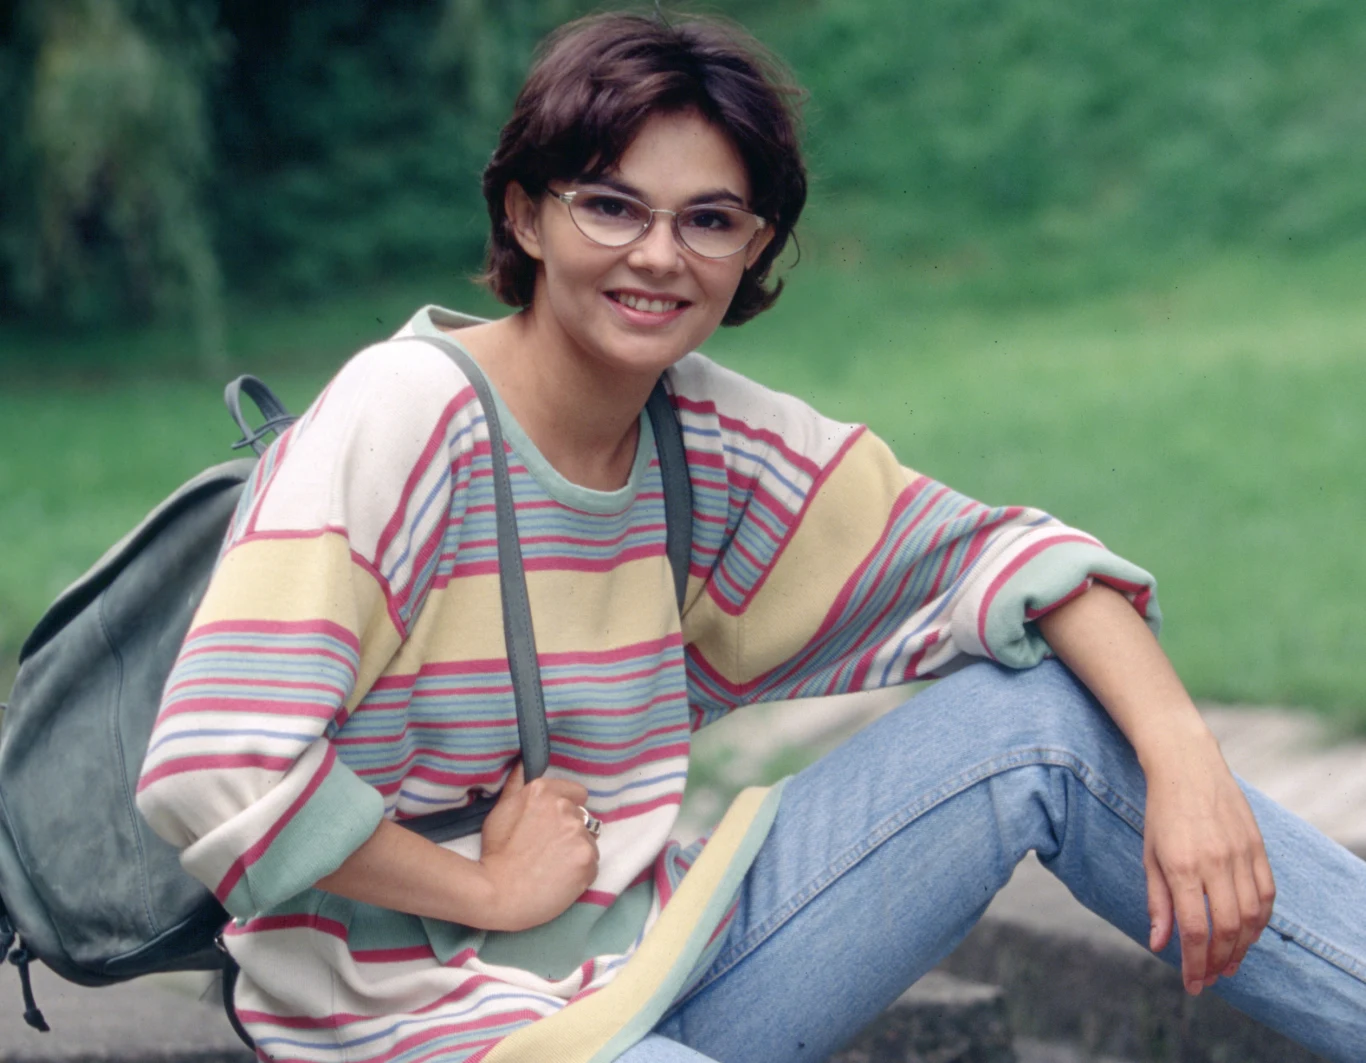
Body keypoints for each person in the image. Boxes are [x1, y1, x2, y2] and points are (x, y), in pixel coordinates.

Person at [135, 11, 1366, 1063]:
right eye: (610, 206)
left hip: (654, 948)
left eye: (708, 219)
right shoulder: (403, 413)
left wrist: (1188, 763)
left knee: (1040, 721)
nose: (657, 255)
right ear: (525, 216)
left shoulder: (703, 438)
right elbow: (214, 763)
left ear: (756, 244)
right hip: (415, 1019)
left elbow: (1015, 562)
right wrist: (486, 888)